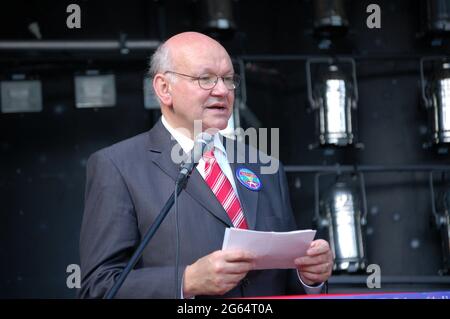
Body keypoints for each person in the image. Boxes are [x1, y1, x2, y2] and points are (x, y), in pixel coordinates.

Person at [79, 31, 333, 299]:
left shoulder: (265, 166)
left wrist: (309, 277)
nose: (222, 90)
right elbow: (99, 287)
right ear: (164, 88)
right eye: (206, 79)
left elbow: (286, 281)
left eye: (228, 79)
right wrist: (186, 281)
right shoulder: (117, 167)